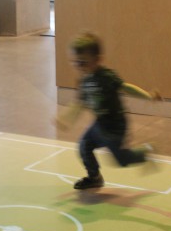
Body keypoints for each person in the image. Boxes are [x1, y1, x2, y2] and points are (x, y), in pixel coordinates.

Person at [60, 31, 161, 190]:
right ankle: (94, 177)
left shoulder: (106, 77)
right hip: (99, 124)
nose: (80, 66)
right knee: (84, 147)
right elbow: (79, 103)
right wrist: (67, 119)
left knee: (122, 160)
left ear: (98, 59)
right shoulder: (84, 80)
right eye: (76, 62)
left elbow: (126, 87)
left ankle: (144, 153)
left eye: (84, 62)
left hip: (115, 126)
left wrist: (148, 96)